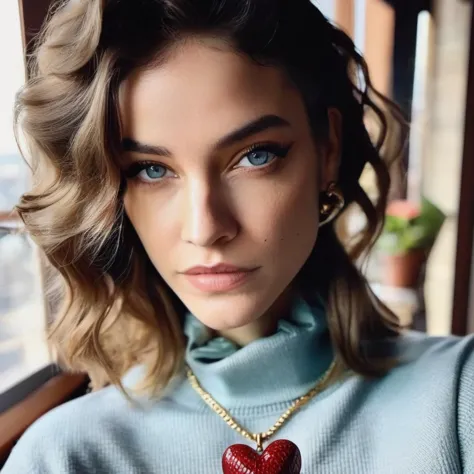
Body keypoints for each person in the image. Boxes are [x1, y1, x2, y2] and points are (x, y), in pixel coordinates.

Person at [2, 0, 473, 472]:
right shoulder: (63, 456)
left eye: (255, 156)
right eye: (150, 169)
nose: (205, 228)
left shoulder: (457, 403)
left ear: (327, 150)